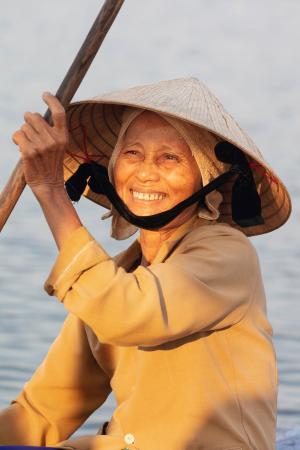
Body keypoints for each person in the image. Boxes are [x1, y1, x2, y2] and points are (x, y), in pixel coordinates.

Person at [0, 78, 291, 450]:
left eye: (170, 158)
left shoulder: (227, 253)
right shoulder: (115, 278)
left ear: (206, 178)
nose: (146, 172)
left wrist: (51, 192)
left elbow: (124, 312)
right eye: (133, 153)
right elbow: (41, 415)